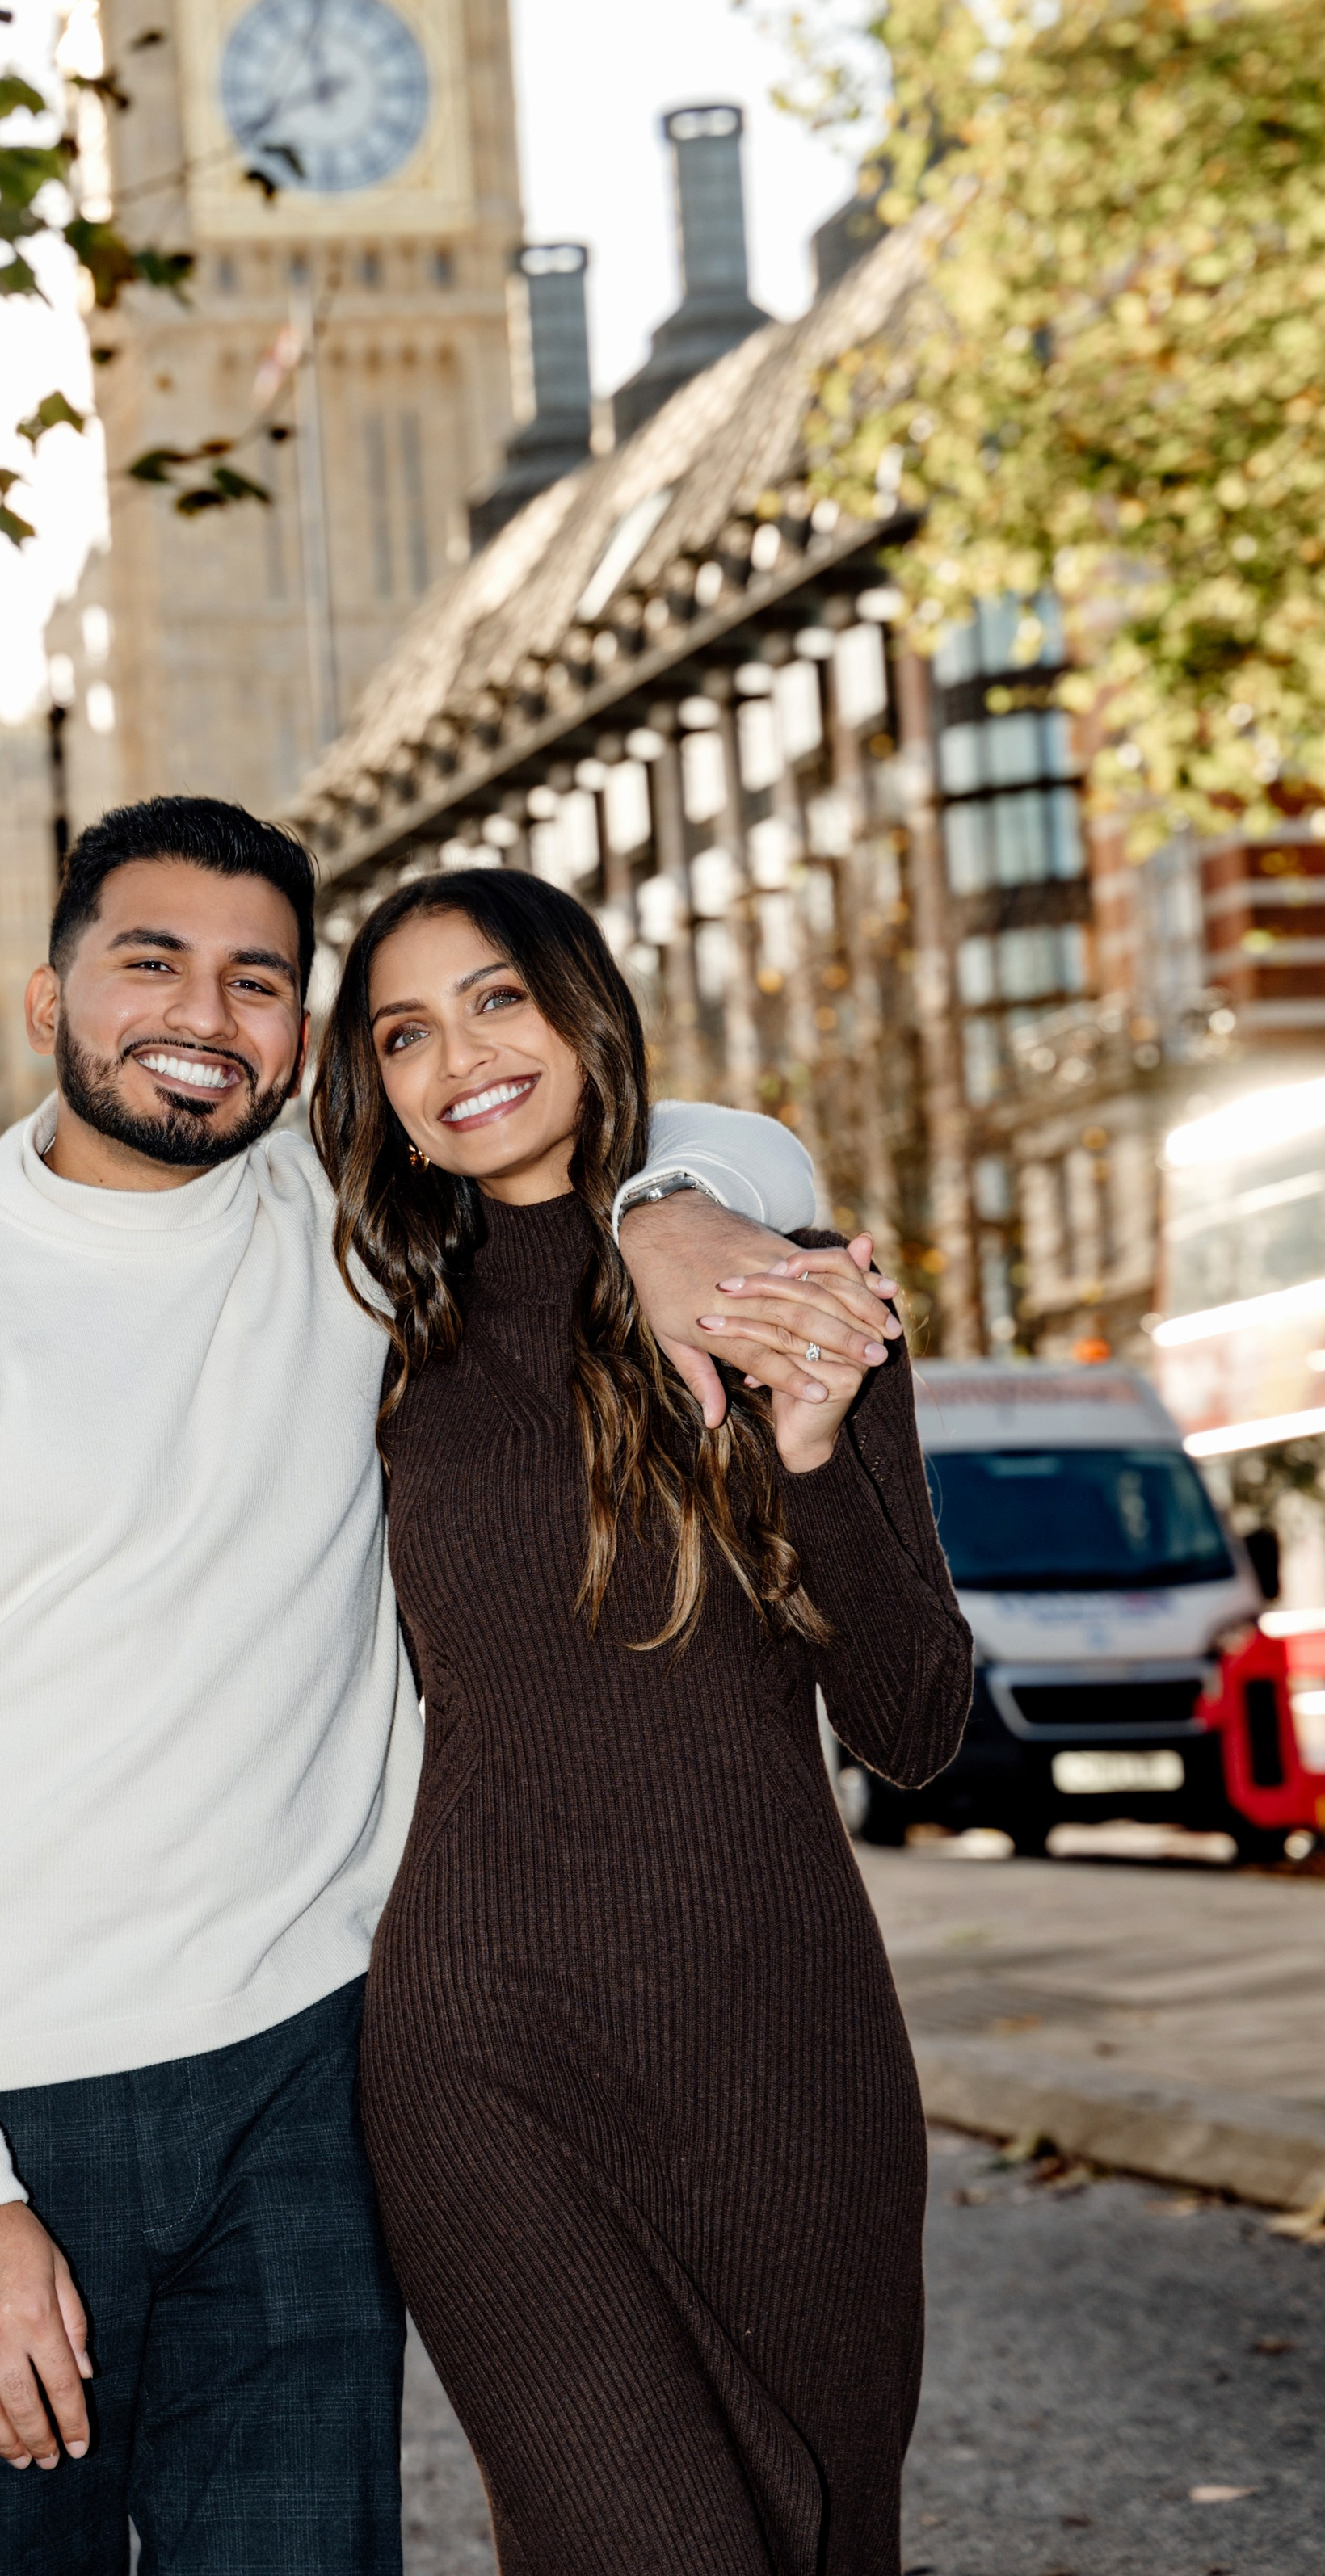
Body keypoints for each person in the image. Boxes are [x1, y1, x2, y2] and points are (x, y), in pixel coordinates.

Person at [0, 795, 900, 2576]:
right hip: (4, 2097)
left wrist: (671, 1209)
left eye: (258, 978)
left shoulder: (350, 1233)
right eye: (151, 962)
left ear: (298, 1034)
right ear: (47, 1000)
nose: (202, 1013)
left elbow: (673, 1123)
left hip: (300, 2075)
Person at [309, 869, 973, 2576]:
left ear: (582, 1003)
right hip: (483, 2050)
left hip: (787, 2044)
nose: (459, 1055)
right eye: (403, 1032)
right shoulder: (369, 1332)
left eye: (495, 998)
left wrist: (809, 1454)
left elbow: (911, 1718)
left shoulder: (783, 1287)